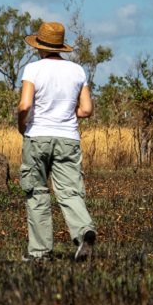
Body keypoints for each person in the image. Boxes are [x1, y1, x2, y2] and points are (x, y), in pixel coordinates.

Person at [17, 21, 98, 262]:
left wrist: (22, 124)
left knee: (37, 192)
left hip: (38, 136)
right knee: (71, 192)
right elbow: (86, 110)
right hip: (68, 138)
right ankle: (84, 231)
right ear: (60, 47)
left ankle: (40, 252)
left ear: (39, 45)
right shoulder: (77, 71)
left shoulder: (33, 69)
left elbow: (25, 105)